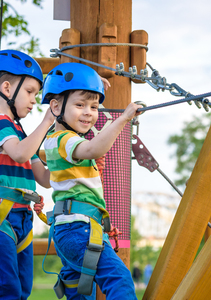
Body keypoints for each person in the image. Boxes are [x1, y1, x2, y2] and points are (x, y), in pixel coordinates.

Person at [37, 62, 142, 300]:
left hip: (73, 229)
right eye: (79, 105)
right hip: (78, 230)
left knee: (80, 294)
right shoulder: (65, 140)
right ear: (55, 106)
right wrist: (124, 118)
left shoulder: (55, 140)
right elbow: (94, 148)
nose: (89, 112)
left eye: (94, 106)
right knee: (120, 280)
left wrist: (92, 88)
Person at [0, 49, 54, 299]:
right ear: (7, 89)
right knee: (6, 287)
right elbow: (19, 154)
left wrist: (74, 159)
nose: (34, 100)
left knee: (22, 288)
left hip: (22, 216)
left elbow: (44, 178)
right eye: (30, 92)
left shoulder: (21, 134)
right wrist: (45, 123)